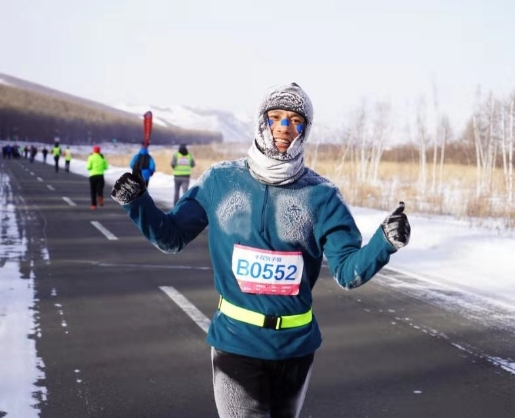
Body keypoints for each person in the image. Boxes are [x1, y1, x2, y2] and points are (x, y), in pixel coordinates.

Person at [111, 82, 411, 417]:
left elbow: (346, 272)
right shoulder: (220, 180)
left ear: (305, 130)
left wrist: (384, 241)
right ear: (262, 122)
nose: (285, 126)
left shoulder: (323, 195)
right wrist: (137, 202)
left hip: (296, 349)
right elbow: (172, 238)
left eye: (296, 120)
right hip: (236, 343)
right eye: (277, 116)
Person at [87, 145, 109, 210]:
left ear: (93, 150)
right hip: (100, 175)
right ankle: (100, 196)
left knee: (93, 191)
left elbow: (88, 167)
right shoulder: (102, 157)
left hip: (92, 175)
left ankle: (93, 205)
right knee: (100, 189)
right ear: (99, 151)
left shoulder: (91, 157)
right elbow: (106, 167)